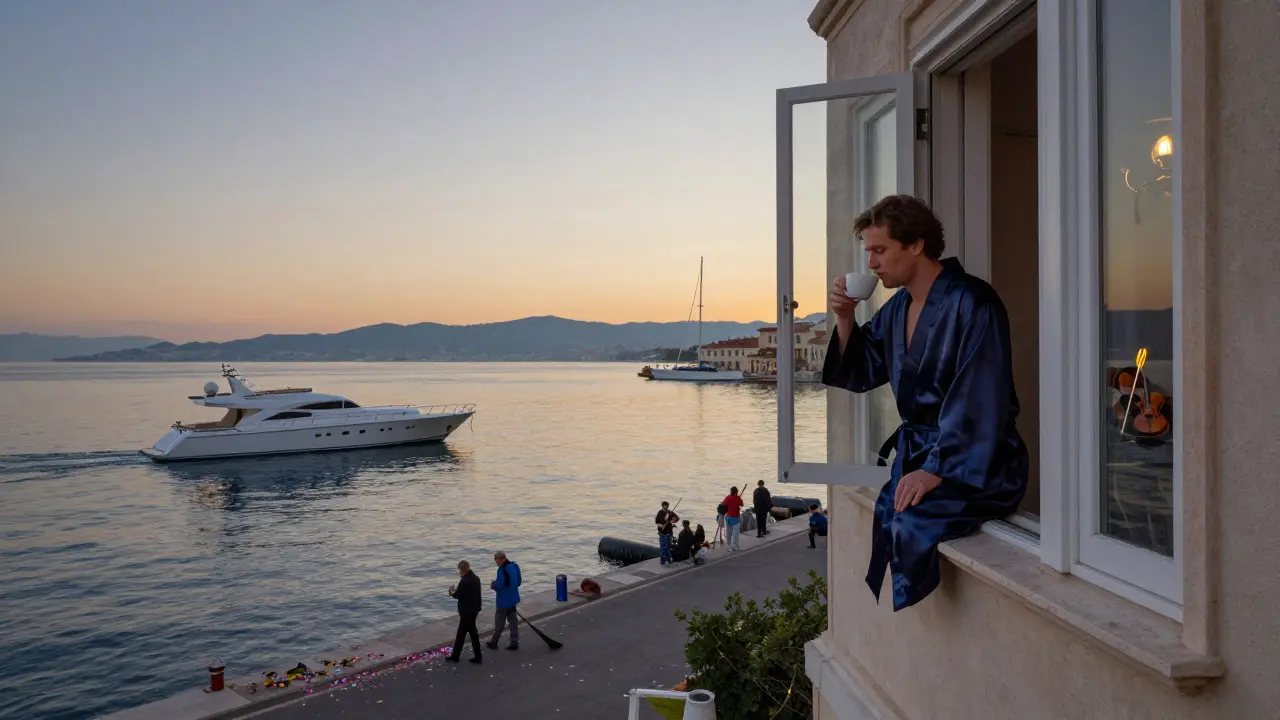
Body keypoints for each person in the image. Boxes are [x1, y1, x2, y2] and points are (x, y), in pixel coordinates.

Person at [824, 194, 1028, 611]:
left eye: (880, 250)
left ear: (915, 244)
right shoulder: (898, 307)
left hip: (977, 461)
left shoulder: (972, 302)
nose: (872, 265)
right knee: (892, 508)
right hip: (923, 457)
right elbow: (863, 369)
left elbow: (980, 397)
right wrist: (846, 318)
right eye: (869, 253)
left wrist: (936, 468)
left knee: (913, 521)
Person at [446, 560, 483, 664]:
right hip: (474, 609)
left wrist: (452, 593)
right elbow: (478, 594)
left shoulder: (465, 581)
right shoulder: (476, 578)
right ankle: (474, 656)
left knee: (464, 634)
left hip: (466, 611)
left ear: (463, 569)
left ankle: (457, 656)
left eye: (460, 570)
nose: (459, 572)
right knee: (470, 633)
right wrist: (479, 606)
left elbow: (458, 595)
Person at [486, 551, 522, 650]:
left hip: (503, 601)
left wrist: (493, 585)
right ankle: (514, 641)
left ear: (501, 559)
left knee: (500, 622)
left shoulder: (501, 570)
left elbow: (500, 585)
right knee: (513, 621)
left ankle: (494, 642)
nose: (496, 562)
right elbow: (519, 582)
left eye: (496, 560)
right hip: (513, 598)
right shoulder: (515, 566)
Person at [654, 501, 679, 565]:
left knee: (669, 547)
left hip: (669, 533)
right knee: (663, 548)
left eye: (667, 506)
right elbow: (658, 522)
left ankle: (668, 560)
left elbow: (676, 519)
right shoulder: (660, 513)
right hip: (663, 533)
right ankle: (663, 561)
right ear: (662, 506)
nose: (666, 507)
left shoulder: (670, 512)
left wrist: (672, 514)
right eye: (665, 506)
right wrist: (660, 530)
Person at [720, 487, 745, 551]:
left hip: (728, 518)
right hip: (736, 518)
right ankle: (735, 545)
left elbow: (723, 504)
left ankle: (729, 546)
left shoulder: (728, 497)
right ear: (736, 492)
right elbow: (742, 505)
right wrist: (739, 499)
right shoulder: (738, 498)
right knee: (735, 534)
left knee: (728, 533)